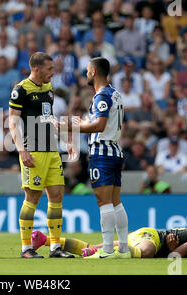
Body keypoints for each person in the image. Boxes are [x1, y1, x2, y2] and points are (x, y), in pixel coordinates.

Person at [8, 52, 74, 258]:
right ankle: (26, 248)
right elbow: (12, 122)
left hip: (52, 150)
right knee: (33, 197)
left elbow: (49, 117)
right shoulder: (21, 90)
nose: (53, 73)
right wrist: (21, 149)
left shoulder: (48, 88)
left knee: (57, 196)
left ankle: (55, 247)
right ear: (36, 69)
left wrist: (65, 139)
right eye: (49, 69)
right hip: (32, 151)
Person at [64, 57, 130, 259]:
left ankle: (108, 250)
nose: (85, 74)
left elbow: (99, 125)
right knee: (116, 202)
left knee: (104, 202)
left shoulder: (101, 96)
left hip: (102, 153)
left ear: (93, 72)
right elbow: (94, 121)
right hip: (114, 150)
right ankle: (124, 249)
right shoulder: (115, 94)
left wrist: (69, 127)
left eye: (87, 71)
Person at [31, 227, 187, 259]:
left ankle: (45, 240)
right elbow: (176, 254)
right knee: (145, 253)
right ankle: (95, 255)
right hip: (152, 238)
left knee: (94, 244)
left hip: (143, 235)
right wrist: (173, 251)